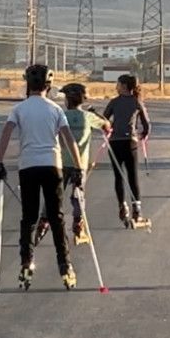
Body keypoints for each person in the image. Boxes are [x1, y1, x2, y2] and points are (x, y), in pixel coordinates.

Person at [0, 65, 84, 290]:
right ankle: (65, 266)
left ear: (28, 84)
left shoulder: (19, 109)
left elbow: (6, 133)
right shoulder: (55, 109)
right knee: (56, 218)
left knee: (29, 217)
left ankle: (26, 262)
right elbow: (68, 138)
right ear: (48, 85)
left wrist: (0, 161)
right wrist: (78, 167)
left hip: (28, 166)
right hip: (52, 166)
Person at [54, 83, 110, 245]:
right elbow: (107, 126)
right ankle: (78, 224)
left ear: (67, 100)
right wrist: (97, 114)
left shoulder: (61, 116)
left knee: (56, 193)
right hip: (81, 164)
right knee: (78, 195)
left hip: (62, 162)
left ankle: (45, 220)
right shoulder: (88, 117)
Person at [103, 74, 151, 226]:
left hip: (115, 142)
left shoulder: (114, 102)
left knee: (118, 176)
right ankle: (137, 208)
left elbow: (104, 120)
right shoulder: (137, 102)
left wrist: (108, 128)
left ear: (124, 86)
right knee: (132, 176)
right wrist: (143, 134)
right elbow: (147, 124)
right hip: (131, 142)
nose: (116, 87)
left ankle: (122, 205)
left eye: (117, 84)